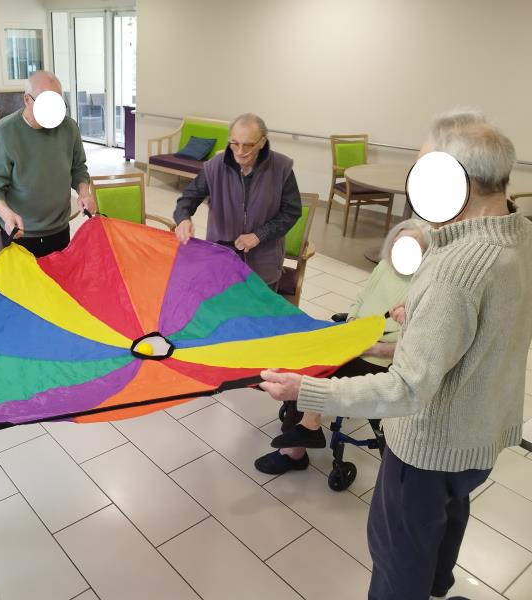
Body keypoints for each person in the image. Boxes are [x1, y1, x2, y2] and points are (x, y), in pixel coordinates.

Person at [260, 109, 532, 600]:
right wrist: (423, 322)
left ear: (459, 180)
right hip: (480, 438)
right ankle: (436, 588)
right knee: (448, 518)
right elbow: (490, 330)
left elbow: (407, 388)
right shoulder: (521, 235)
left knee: (398, 555)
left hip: (430, 446)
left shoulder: (455, 270)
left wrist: (308, 390)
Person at [254, 219, 431, 474]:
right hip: (354, 337)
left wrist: (372, 348)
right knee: (305, 358)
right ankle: (303, 427)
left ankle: (296, 449)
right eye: (397, 243)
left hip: (379, 358)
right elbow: (361, 299)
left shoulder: (425, 287)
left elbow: (414, 344)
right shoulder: (385, 266)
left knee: (317, 376)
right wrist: (352, 322)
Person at [173, 113, 302, 288]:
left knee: (259, 306)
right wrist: (183, 219)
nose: (240, 151)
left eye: (248, 145)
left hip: (263, 264)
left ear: (262, 142)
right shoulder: (214, 166)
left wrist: (259, 235)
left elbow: (291, 211)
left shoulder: (281, 167)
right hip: (222, 261)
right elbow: (187, 199)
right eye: (234, 143)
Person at [0, 70, 96, 257]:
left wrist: (84, 193)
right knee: (21, 277)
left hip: (59, 229)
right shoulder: (4, 132)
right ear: (27, 99)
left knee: (58, 275)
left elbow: (78, 169)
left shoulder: (69, 128)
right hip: (19, 232)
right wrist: (6, 214)